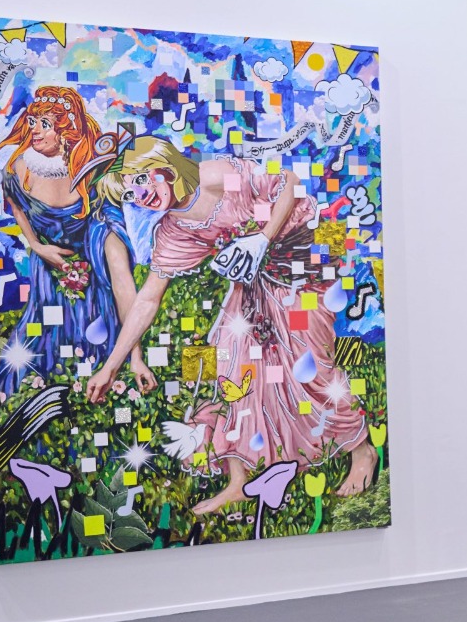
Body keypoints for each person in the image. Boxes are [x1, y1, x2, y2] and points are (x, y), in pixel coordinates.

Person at [83, 136, 377, 513]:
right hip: (254, 281)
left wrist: (262, 239)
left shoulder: (215, 177)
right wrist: (111, 366)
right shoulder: (174, 230)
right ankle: (240, 480)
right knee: (232, 362)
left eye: (142, 180)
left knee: (309, 364)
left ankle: (361, 449)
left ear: (164, 166)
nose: (142, 195)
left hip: (302, 264)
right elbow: (147, 299)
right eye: (130, 193)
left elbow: (289, 182)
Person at [0, 85, 154, 395]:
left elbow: (121, 278)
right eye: (33, 122)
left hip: (94, 289)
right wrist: (37, 245)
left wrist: (136, 356)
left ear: (65, 132)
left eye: (45, 124)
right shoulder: (18, 169)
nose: (35, 130)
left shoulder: (95, 183)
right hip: (47, 279)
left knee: (93, 354)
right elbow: (16, 205)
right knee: (37, 359)